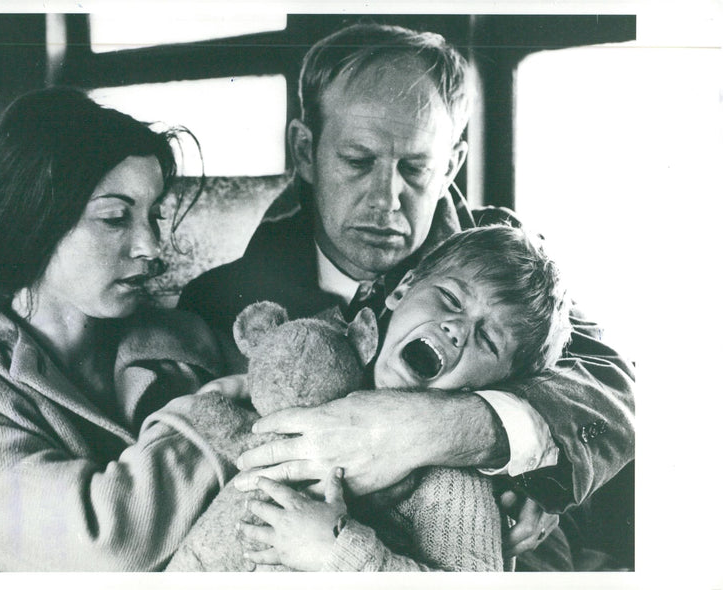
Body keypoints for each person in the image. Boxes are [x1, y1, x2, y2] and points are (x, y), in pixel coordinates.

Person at [178, 23, 635, 567]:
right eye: (358, 161)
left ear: (452, 166)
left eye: (415, 168)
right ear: (305, 151)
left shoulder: (494, 254)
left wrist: (446, 431)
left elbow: (611, 388)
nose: (386, 199)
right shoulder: (221, 297)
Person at [0, 87, 231, 571]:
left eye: (154, 215)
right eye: (115, 218)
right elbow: (105, 543)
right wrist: (222, 408)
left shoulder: (187, 341)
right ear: (36, 221)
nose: (152, 247)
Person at [237, 225, 572, 571]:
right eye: (452, 299)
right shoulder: (316, 374)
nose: (456, 328)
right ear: (402, 289)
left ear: (498, 386)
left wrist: (334, 553)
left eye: (487, 339)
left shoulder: (455, 484)